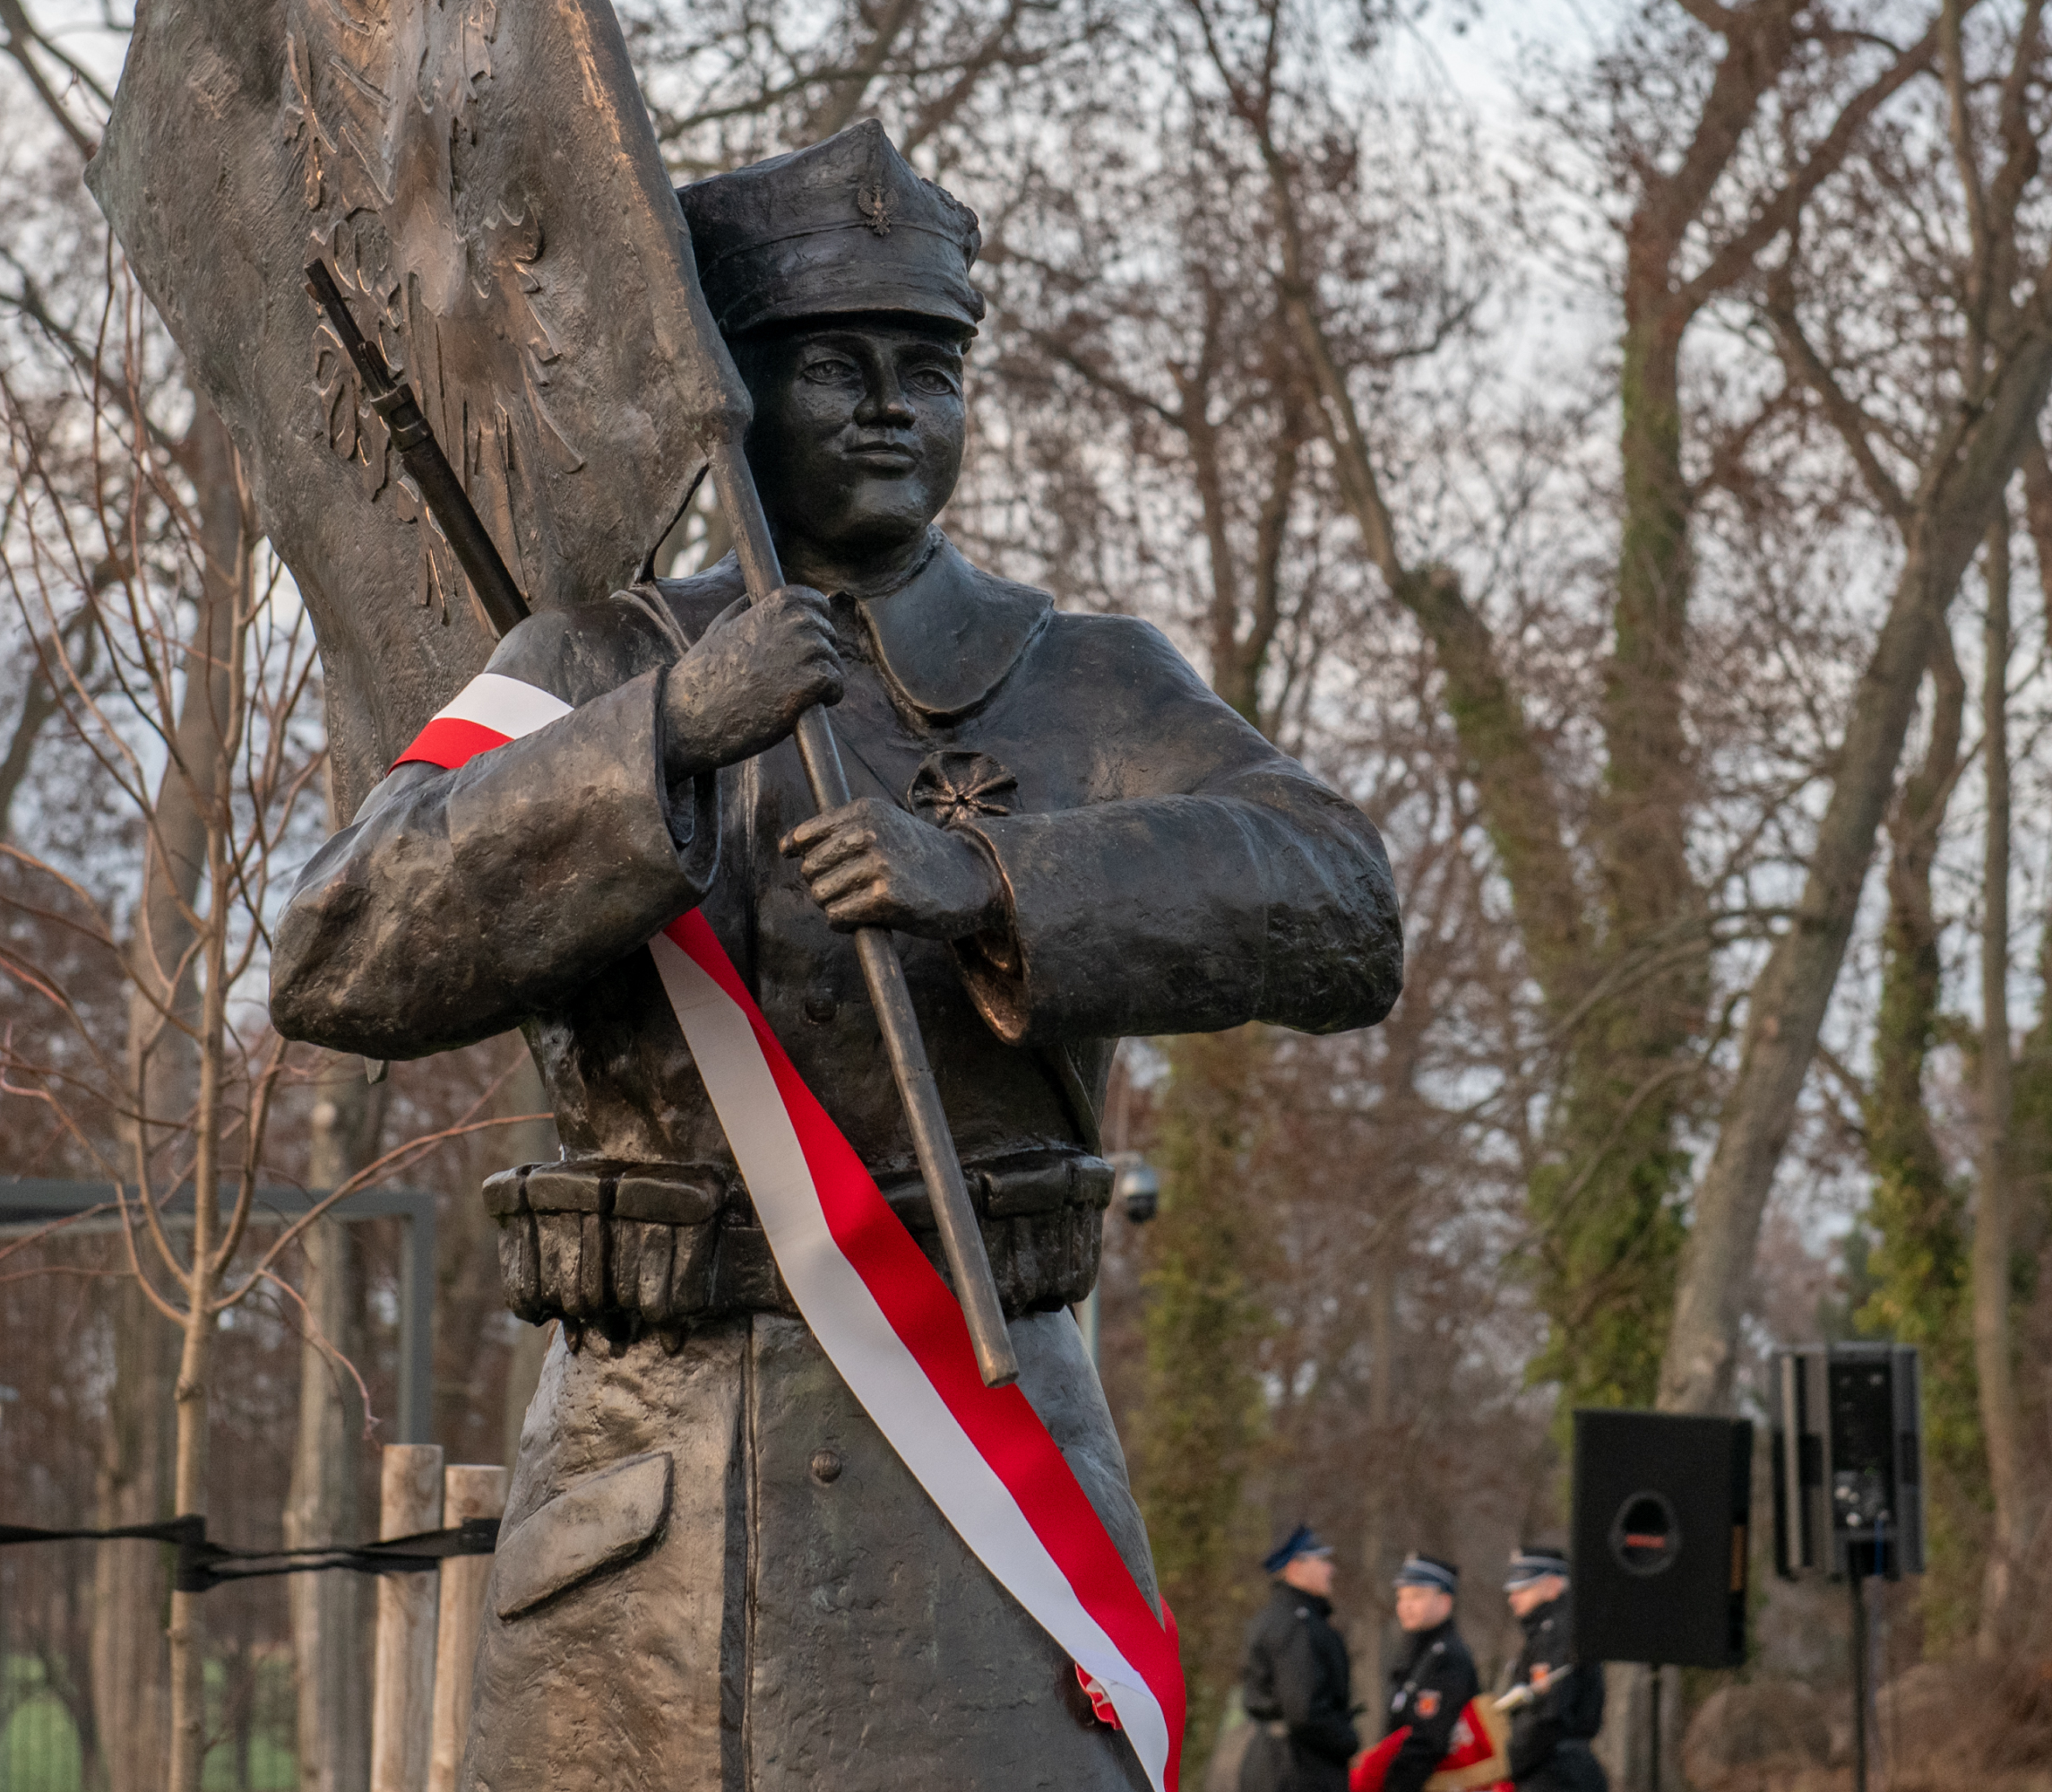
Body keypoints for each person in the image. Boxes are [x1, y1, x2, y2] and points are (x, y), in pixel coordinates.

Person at [271, 121, 1402, 1789]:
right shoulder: (590, 660)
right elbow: (339, 952)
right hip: (641, 1522)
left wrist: (996, 882)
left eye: (928, 367)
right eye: (831, 367)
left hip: (983, 1501)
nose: (891, 405)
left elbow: (1341, 900)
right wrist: (659, 732)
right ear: (731, 391)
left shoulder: (1081, 680)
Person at [1238, 1525, 1358, 1792]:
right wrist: (1347, 1740)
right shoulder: (1297, 1624)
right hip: (1298, 1770)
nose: (1330, 1569)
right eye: (1322, 1560)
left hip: (1280, 1763)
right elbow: (1303, 1709)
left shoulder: (1281, 1617)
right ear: (1296, 1567)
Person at [1501, 1546, 1608, 1792]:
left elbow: (1549, 1715)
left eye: (1524, 1589)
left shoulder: (1556, 1633)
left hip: (1556, 1771)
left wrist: (1510, 1762)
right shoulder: (1545, 1633)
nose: (1513, 1598)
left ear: (1552, 1586)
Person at [1378, 1554, 1482, 1792]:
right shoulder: (1415, 1652)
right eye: (1401, 1597)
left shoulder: (1447, 1657)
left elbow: (1429, 1739)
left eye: (1417, 1596)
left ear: (1445, 1601)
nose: (1405, 1606)